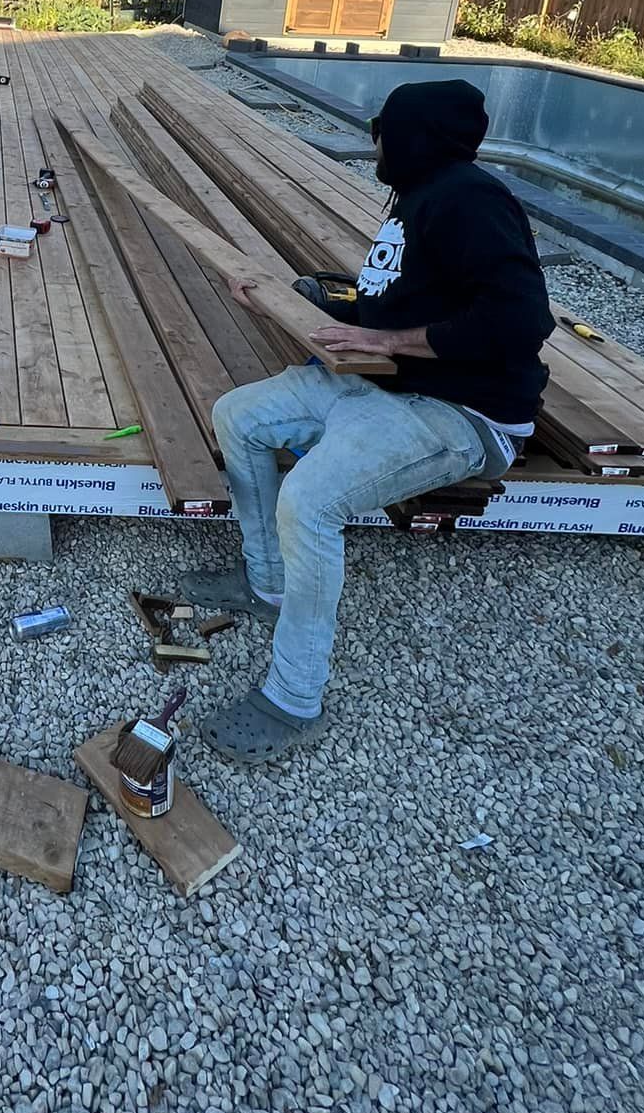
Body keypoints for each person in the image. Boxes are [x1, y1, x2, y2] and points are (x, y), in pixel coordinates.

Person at [183, 77, 554, 767]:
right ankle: (267, 583)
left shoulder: (473, 201)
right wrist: (290, 307)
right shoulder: (416, 197)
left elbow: (522, 320)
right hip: (379, 384)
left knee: (311, 500)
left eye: (383, 126)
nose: (374, 138)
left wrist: (386, 345)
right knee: (238, 416)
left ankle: (293, 700)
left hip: (456, 413)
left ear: (415, 136)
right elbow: (391, 307)